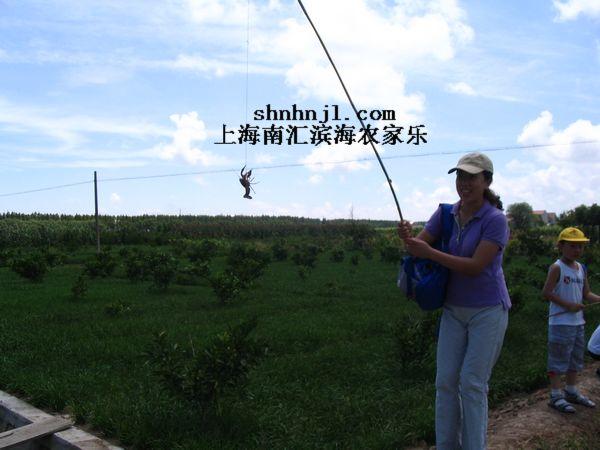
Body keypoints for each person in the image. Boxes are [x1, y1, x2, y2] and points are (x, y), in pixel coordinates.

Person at [398, 152, 510, 450]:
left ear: (486, 180)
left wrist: (429, 252)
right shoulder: (446, 213)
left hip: (487, 310)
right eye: (460, 176)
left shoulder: (495, 220)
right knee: (445, 382)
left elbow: (475, 266)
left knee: (472, 384)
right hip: (453, 309)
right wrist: (408, 239)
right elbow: (417, 247)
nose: (464, 183)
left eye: (472, 177)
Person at [542, 227, 600, 412]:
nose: (577, 250)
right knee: (558, 358)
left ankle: (571, 391)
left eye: (580, 247)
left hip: (578, 323)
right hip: (560, 323)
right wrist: (568, 305)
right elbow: (547, 293)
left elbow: (587, 293)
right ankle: (556, 395)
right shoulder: (557, 267)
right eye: (573, 246)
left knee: (575, 359)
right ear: (561, 245)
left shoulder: (581, 268)